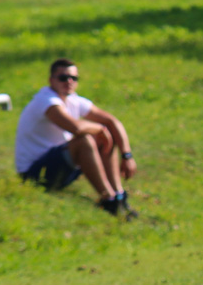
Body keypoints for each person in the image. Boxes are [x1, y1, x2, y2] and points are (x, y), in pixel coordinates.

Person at [15, 58, 138, 217]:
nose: (69, 81)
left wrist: (127, 155)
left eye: (74, 78)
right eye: (63, 78)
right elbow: (76, 128)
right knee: (85, 140)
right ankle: (109, 200)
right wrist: (101, 129)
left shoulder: (74, 100)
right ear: (51, 80)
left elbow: (112, 121)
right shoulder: (46, 101)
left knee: (103, 137)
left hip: (58, 166)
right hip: (34, 175)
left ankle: (119, 195)